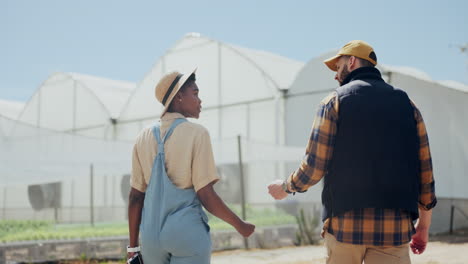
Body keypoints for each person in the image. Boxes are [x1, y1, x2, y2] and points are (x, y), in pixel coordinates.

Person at [268, 40, 436, 264]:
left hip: (345, 228)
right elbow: (424, 169)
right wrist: (423, 226)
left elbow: (314, 166)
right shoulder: (408, 105)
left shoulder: (334, 102)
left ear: (352, 61)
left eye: (338, 67)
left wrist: (286, 187)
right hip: (393, 229)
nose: (336, 75)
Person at [128, 69, 255, 264]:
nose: (200, 100)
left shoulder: (142, 138)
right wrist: (240, 225)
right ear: (179, 96)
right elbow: (206, 194)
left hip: (150, 239)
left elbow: (136, 197)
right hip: (185, 234)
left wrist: (133, 247)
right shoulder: (197, 133)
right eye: (195, 94)